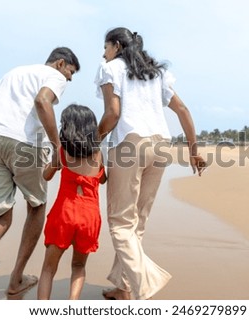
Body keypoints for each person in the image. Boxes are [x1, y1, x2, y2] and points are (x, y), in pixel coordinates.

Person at [0, 47, 80, 300]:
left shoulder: (15, 72)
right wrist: (57, 147)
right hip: (22, 144)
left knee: (0, 217)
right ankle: (16, 279)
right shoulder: (53, 75)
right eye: (70, 72)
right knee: (36, 206)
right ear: (59, 63)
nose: (69, 79)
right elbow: (42, 101)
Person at [94, 27, 206, 300]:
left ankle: (146, 283)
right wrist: (193, 151)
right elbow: (182, 110)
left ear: (117, 46)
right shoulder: (157, 73)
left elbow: (113, 113)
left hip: (131, 144)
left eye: (106, 47)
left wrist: (93, 141)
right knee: (137, 222)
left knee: (120, 223)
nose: (103, 53)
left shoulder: (110, 68)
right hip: (161, 146)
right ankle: (124, 287)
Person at [37, 104, 106, 300]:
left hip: (64, 213)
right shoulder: (98, 154)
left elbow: (46, 175)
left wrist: (54, 165)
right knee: (78, 266)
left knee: (48, 269)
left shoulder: (63, 152)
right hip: (89, 216)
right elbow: (102, 179)